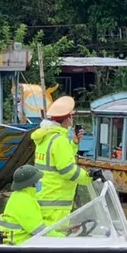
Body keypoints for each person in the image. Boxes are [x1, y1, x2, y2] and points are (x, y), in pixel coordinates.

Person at [31, 96, 94, 226]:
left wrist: (74, 143)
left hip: (44, 196)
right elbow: (68, 171)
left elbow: (57, 160)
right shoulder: (60, 140)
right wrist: (88, 177)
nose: (72, 118)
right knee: (56, 238)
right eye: (71, 115)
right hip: (57, 201)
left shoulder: (46, 137)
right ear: (67, 119)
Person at [0, 166, 48, 245]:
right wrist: (61, 237)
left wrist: (60, 228)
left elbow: (36, 223)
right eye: (38, 180)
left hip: (11, 243)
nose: (40, 182)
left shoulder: (17, 196)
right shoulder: (26, 201)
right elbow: (39, 230)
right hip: (20, 244)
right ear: (32, 183)